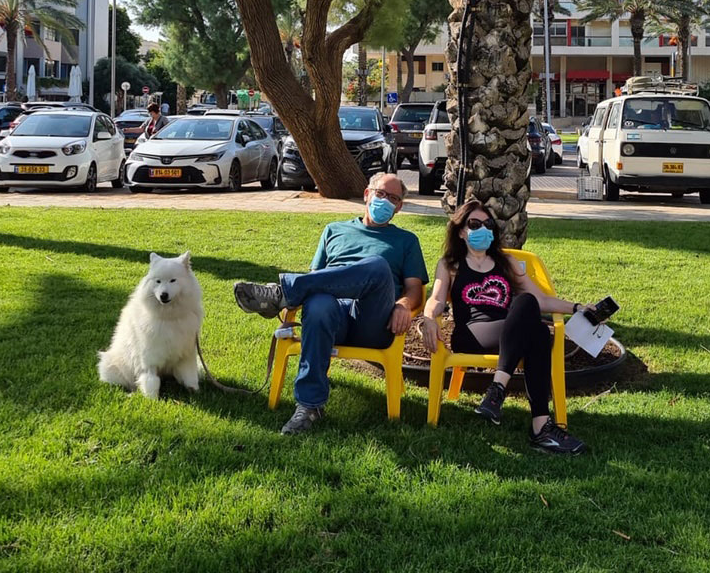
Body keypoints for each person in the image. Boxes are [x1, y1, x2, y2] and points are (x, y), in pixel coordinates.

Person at [233, 174, 427, 435]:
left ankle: (283, 293)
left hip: (373, 319)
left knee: (378, 266)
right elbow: (316, 278)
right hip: (333, 316)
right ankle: (308, 407)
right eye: (381, 194)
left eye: (393, 198)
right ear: (367, 194)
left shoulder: (406, 241)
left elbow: (416, 290)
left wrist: (403, 305)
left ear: (400, 207)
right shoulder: (334, 230)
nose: (386, 201)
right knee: (319, 304)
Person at [418, 200, 596, 455]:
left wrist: (577, 307)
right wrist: (427, 318)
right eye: (474, 224)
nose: (482, 229)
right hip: (471, 333)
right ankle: (539, 427)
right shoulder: (450, 264)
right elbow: (435, 299)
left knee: (532, 316)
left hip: (509, 333)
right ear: (460, 231)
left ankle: (504, 396)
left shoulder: (507, 262)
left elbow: (542, 299)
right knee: (538, 332)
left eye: (487, 224)